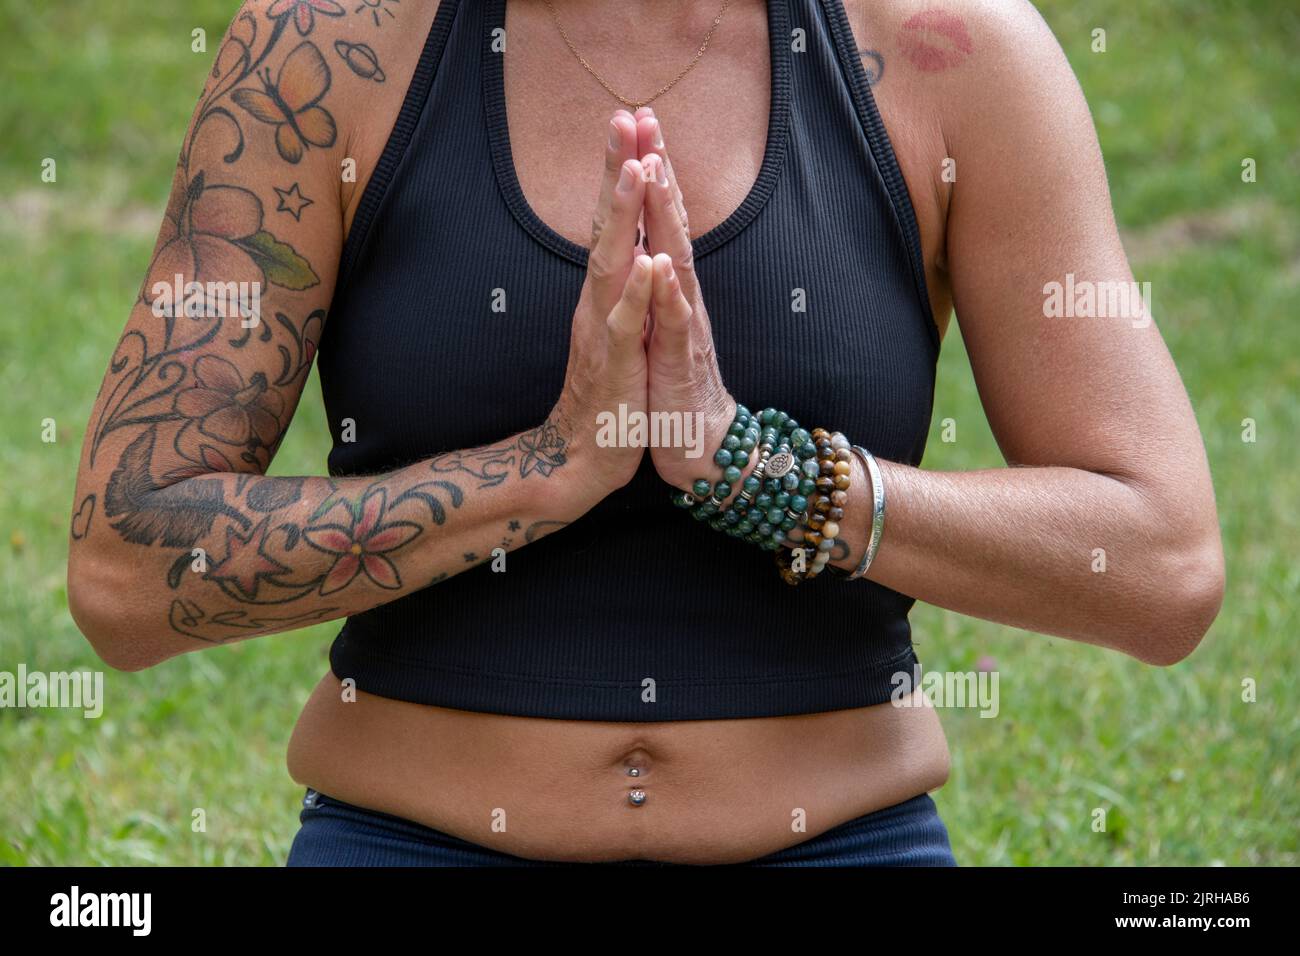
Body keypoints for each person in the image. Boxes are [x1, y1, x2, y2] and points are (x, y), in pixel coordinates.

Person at [67, 0, 1223, 866]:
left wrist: (752, 467)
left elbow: (1159, 559)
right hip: (413, 840)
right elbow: (127, 569)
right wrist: (543, 472)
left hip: (836, 845)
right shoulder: (321, 49)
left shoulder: (954, 49)